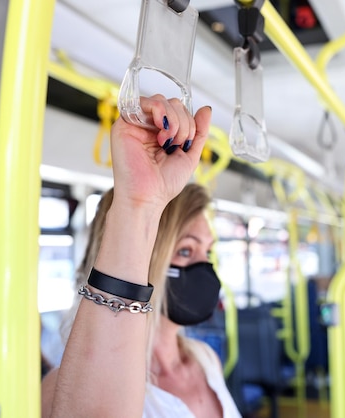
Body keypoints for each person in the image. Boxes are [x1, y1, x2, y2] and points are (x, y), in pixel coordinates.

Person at [41, 95, 225, 417]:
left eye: (206, 252)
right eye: (185, 250)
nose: (204, 268)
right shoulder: (66, 389)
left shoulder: (205, 359)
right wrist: (139, 205)